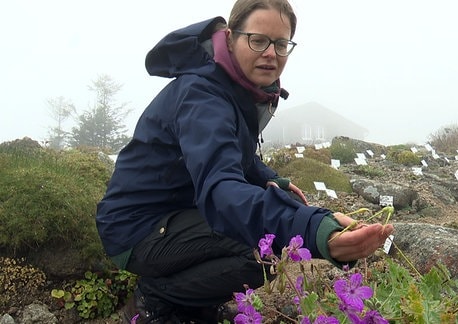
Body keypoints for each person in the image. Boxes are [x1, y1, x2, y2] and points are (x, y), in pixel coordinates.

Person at [95, 0, 394, 323]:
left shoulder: (233, 86)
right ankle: (155, 299)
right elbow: (221, 190)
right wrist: (315, 226)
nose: (271, 53)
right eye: (258, 40)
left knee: (265, 229)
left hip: (173, 214)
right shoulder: (202, 95)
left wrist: (271, 179)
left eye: (281, 44)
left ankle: (191, 298)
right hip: (135, 228)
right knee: (262, 252)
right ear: (230, 37)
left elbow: (230, 151)